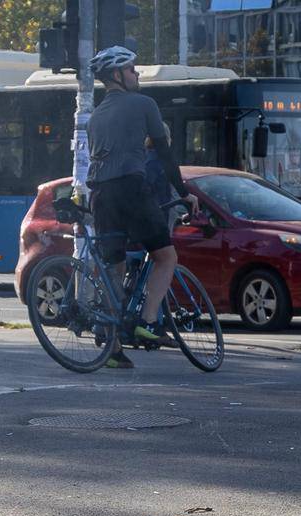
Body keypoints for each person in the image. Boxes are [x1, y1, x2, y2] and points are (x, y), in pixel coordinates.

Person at [86, 46, 196, 367]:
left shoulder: (94, 117)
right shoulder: (144, 104)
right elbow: (163, 153)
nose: (137, 75)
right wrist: (185, 192)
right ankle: (149, 322)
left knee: (114, 269)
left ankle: (112, 347)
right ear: (118, 75)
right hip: (131, 188)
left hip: (100, 196)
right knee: (166, 256)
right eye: (133, 70)